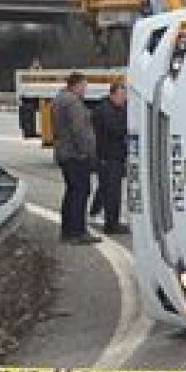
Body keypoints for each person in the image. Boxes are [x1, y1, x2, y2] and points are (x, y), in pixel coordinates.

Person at [51, 72, 101, 244]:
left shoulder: (59, 99)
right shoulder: (73, 102)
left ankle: (67, 231)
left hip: (64, 152)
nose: (85, 90)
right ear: (77, 85)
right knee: (80, 192)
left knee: (72, 191)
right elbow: (79, 130)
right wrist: (86, 152)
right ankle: (78, 232)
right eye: (84, 86)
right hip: (75, 155)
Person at [90, 81, 130, 234]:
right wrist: (128, 128)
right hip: (108, 156)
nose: (124, 99)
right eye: (121, 95)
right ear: (113, 94)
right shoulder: (104, 111)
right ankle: (111, 224)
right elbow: (115, 130)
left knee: (108, 189)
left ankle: (101, 214)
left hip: (116, 156)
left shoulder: (118, 108)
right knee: (112, 192)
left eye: (125, 96)